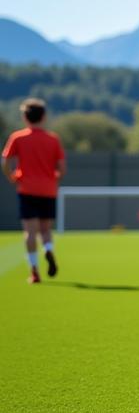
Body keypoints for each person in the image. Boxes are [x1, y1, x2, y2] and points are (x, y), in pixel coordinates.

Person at [3, 98, 66, 284]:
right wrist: (53, 180)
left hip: (27, 189)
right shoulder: (53, 139)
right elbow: (62, 168)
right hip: (48, 190)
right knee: (45, 229)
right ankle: (47, 248)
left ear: (24, 117)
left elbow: (5, 161)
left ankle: (34, 271)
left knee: (29, 232)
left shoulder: (18, 137)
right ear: (44, 116)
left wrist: (13, 177)